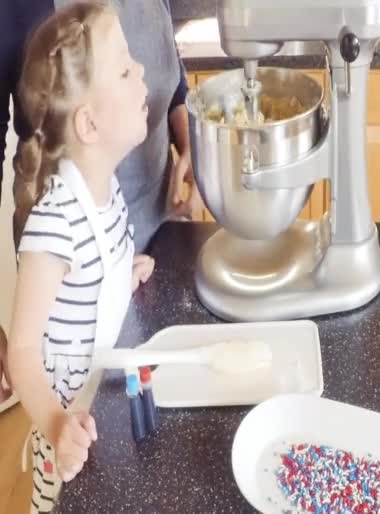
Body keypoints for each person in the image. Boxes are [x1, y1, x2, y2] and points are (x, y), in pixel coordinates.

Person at [7, 3, 156, 511]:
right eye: (123, 68)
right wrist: (54, 425)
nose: (141, 73)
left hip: (102, 402)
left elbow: (87, 288)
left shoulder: (106, 189)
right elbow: (23, 350)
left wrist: (120, 275)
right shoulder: (55, 223)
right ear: (89, 124)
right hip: (68, 426)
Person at [1, 0, 195, 252]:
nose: (140, 71)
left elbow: (168, 64)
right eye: (125, 71)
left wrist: (191, 148)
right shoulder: (51, 233)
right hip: (73, 252)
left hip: (162, 220)